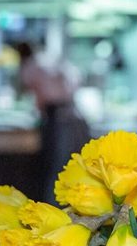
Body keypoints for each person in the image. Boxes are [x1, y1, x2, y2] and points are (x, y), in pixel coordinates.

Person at [14, 42, 89, 202]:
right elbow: (73, 82)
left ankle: (54, 211)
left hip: (57, 120)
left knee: (56, 169)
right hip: (75, 117)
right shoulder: (46, 61)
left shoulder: (30, 67)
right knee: (73, 168)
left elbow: (38, 96)